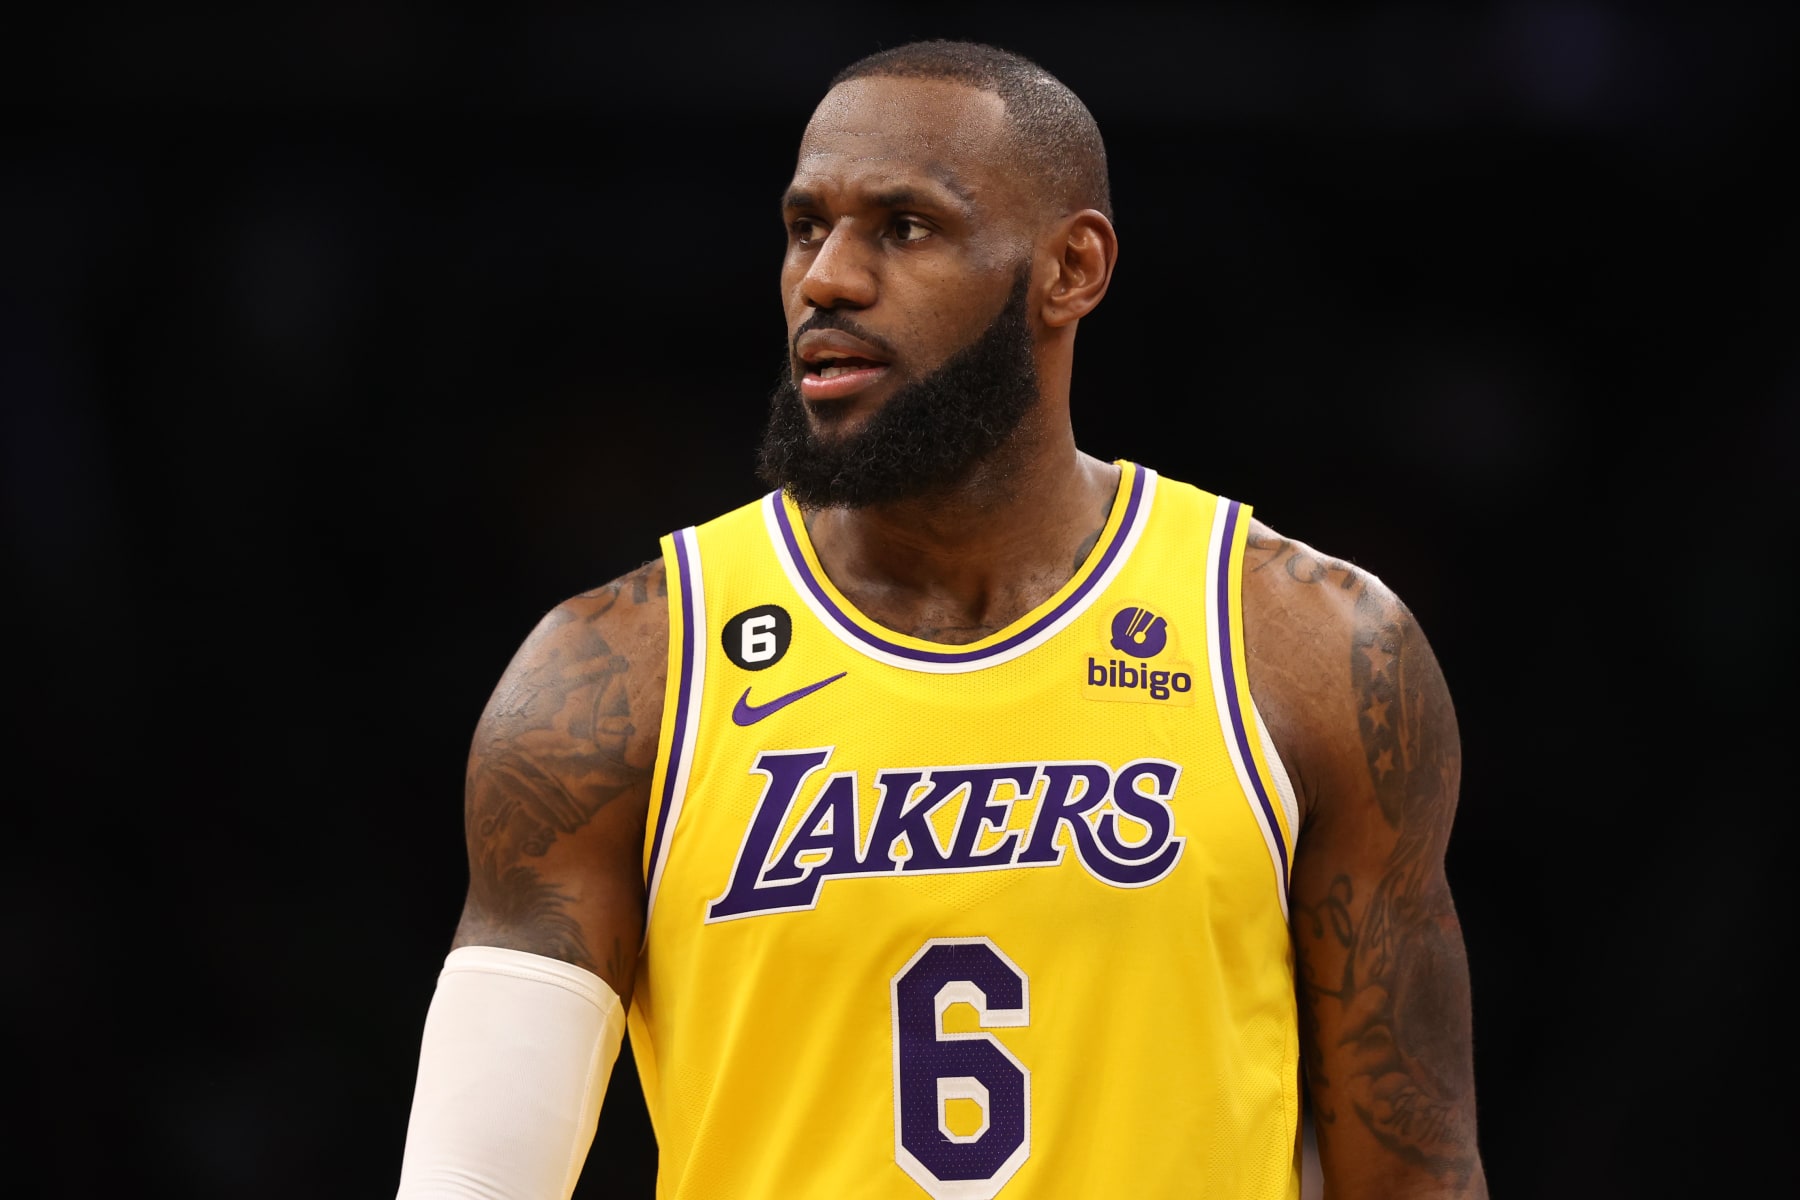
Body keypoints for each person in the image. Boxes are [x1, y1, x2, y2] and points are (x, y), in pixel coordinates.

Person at [394, 39, 1487, 1200]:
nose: (827, 279)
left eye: (904, 227)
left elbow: (1416, 1180)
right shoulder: (618, 676)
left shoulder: (1308, 649)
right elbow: (471, 1185)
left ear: (1071, 268)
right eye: (805, 228)